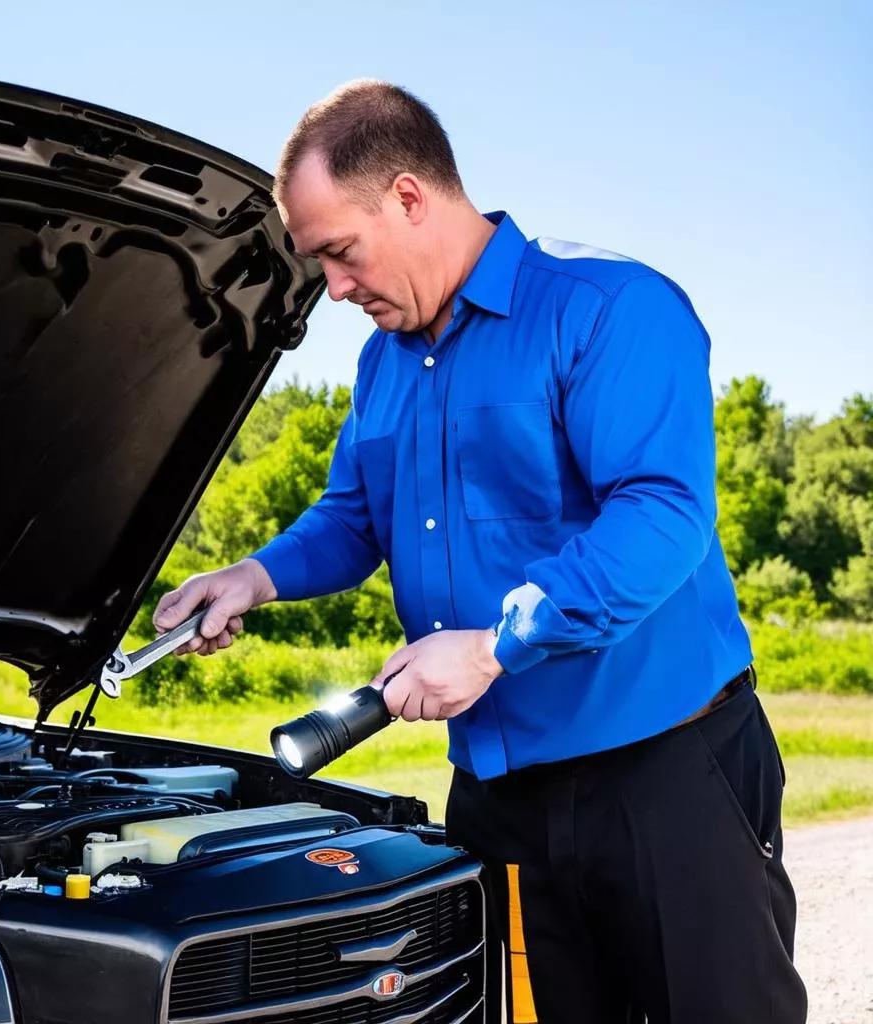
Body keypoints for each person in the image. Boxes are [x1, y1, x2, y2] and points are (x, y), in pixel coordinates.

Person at [153, 81, 807, 1024]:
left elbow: (662, 515)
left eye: (340, 253)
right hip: (499, 802)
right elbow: (353, 518)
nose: (333, 289)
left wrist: (496, 646)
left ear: (410, 197)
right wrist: (252, 577)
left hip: (665, 779)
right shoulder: (383, 361)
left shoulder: (607, 306)